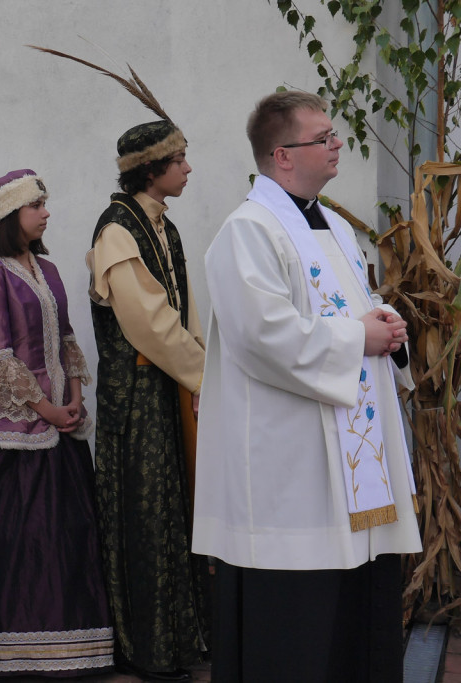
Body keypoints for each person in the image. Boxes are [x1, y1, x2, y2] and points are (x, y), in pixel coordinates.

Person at [194, 91, 421, 682]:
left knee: (353, 614)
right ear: (282, 155)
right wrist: (357, 339)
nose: (336, 143)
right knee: (296, 629)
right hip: (289, 471)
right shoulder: (247, 231)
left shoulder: (333, 228)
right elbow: (262, 335)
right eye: (323, 137)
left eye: (333, 134)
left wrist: (386, 323)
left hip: (350, 469)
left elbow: (353, 305)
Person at [0, 169, 114, 676]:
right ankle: (12, 651)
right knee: (21, 545)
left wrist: (73, 399)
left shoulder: (46, 271)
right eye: (37, 206)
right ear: (11, 216)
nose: (46, 213)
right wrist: (46, 408)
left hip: (60, 431)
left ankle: (75, 648)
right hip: (13, 438)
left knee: (68, 538)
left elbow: (67, 338)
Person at [88, 119, 210, 682]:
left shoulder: (165, 227)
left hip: (164, 391)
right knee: (146, 518)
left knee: (176, 514)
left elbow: (180, 314)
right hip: (135, 402)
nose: (188, 168)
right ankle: (149, 649)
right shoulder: (118, 229)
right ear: (151, 168)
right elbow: (151, 324)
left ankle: (183, 640)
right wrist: (206, 375)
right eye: (179, 159)